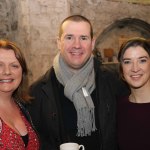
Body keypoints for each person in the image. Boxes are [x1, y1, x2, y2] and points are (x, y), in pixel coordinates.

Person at [28, 15, 128, 150]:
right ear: (59, 42)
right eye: (69, 37)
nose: (77, 45)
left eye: (83, 38)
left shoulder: (114, 82)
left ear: (92, 43)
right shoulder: (37, 92)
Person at [0, 39, 39, 149]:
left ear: (23, 73)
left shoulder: (24, 107)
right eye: (0, 65)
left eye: (14, 66)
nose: (7, 71)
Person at [117, 37, 150, 150]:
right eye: (127, 62)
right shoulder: (118, 107)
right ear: (122, 68)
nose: (135, 68)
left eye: (142, 60)